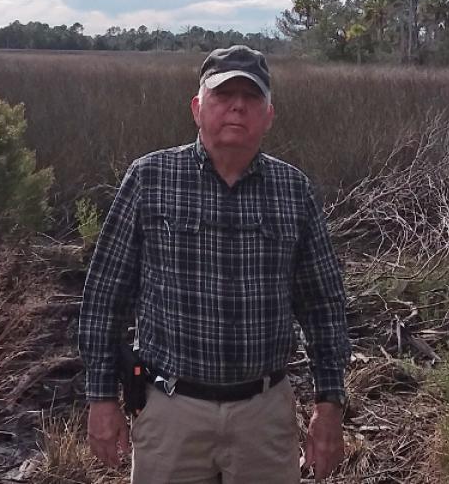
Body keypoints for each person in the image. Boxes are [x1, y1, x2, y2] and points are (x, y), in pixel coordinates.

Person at [78, 45, 350, 483]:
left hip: (264, 415)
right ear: (197, 108)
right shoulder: (150, 179)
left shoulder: (292, 190)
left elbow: (323, 307)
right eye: (223, 95)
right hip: (170, 411)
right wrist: (101, 398)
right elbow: (104, 298)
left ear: (268, 116)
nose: (237, 106)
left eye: (251, 97)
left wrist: (329, 406)